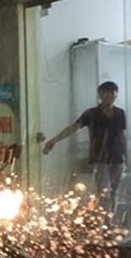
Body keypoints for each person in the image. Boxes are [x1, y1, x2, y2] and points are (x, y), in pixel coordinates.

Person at [42, 80, 126, 216]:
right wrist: (54, 140)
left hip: (117, 157)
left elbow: (122, 136)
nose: (108, 96)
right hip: (100, 158)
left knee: (114, 192)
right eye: (105, 93)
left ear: (116, 95)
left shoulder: (120, 113)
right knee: (103, 191)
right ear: (100, 95)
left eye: (111, 93)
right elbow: (73, 128)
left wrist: (126, 156)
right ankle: (104, 222)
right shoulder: (92, 113)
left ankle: (110, 222)